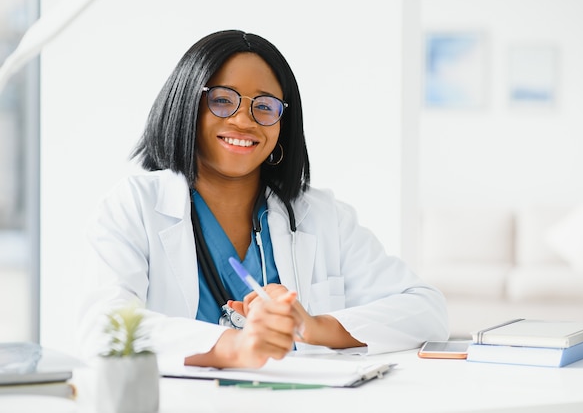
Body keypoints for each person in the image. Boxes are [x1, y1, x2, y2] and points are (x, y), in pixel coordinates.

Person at [77, 29, 449, 368]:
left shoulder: (320, 216)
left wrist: (313, 326)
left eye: (265, 106)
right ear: (187, 105)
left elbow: (426, 309)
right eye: (223, 100)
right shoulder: (136, 205)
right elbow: (105, 326)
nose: (243, 120)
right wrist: (234, 347)